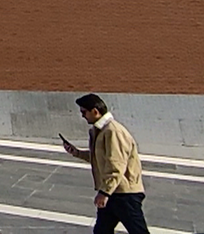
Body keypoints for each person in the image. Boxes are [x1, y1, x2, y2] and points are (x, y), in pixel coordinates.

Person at [62, 93, 150, 234]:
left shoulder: (113, 132)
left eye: (84, 112)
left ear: (95, 111)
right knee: (102, 231)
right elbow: (100, 158)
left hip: (124, 194)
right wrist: (76, 152)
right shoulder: (100, 131)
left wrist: (104, 193)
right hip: (113, 192)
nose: (82, 116)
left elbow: (116, 166)